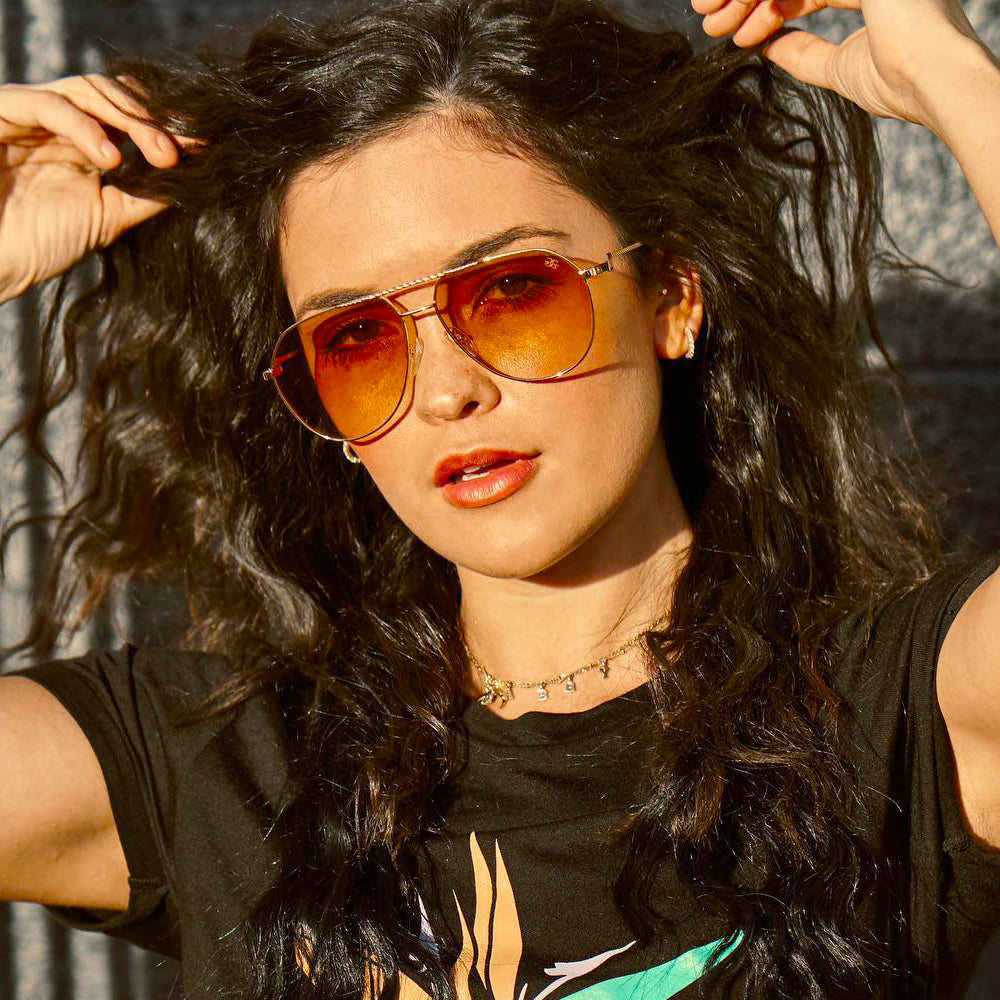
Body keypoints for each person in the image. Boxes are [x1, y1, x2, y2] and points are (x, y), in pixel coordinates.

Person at [0, 0, 997, 997]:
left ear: (671, 295)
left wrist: (956, 80)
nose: (446, 392)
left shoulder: (885, 717)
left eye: (515, 292)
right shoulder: (233, 763)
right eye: (356, 340)